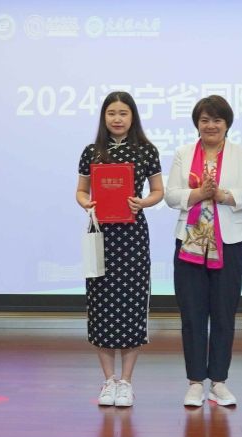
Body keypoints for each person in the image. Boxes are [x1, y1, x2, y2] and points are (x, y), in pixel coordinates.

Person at [164, 94, 242, 407]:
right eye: (204, 120)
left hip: (228, 243)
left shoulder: (241, 154)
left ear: (227, 124)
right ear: (197, 123)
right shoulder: (183, 154)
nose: (211, 125)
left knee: (223, 313)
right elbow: (170, 195)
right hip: (189, 243)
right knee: (192, 315)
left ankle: (219, 381)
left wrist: (224, 195)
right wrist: (197, 194)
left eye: (217, 120)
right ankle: (195, 382)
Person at [74, 90, 164, 405]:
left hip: (132, 236)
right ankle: (108, 381)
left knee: (131, 305)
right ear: (104, 117)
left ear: (132, 117)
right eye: (111, 113)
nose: (117, 118)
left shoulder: (146, 150)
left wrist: (142, 203)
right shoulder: (91, 151)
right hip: (101, 234)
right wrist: (88, 204)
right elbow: (81, 191)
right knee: (101, 305)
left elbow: (158, 191)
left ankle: (126, 381)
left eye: (123, 113)